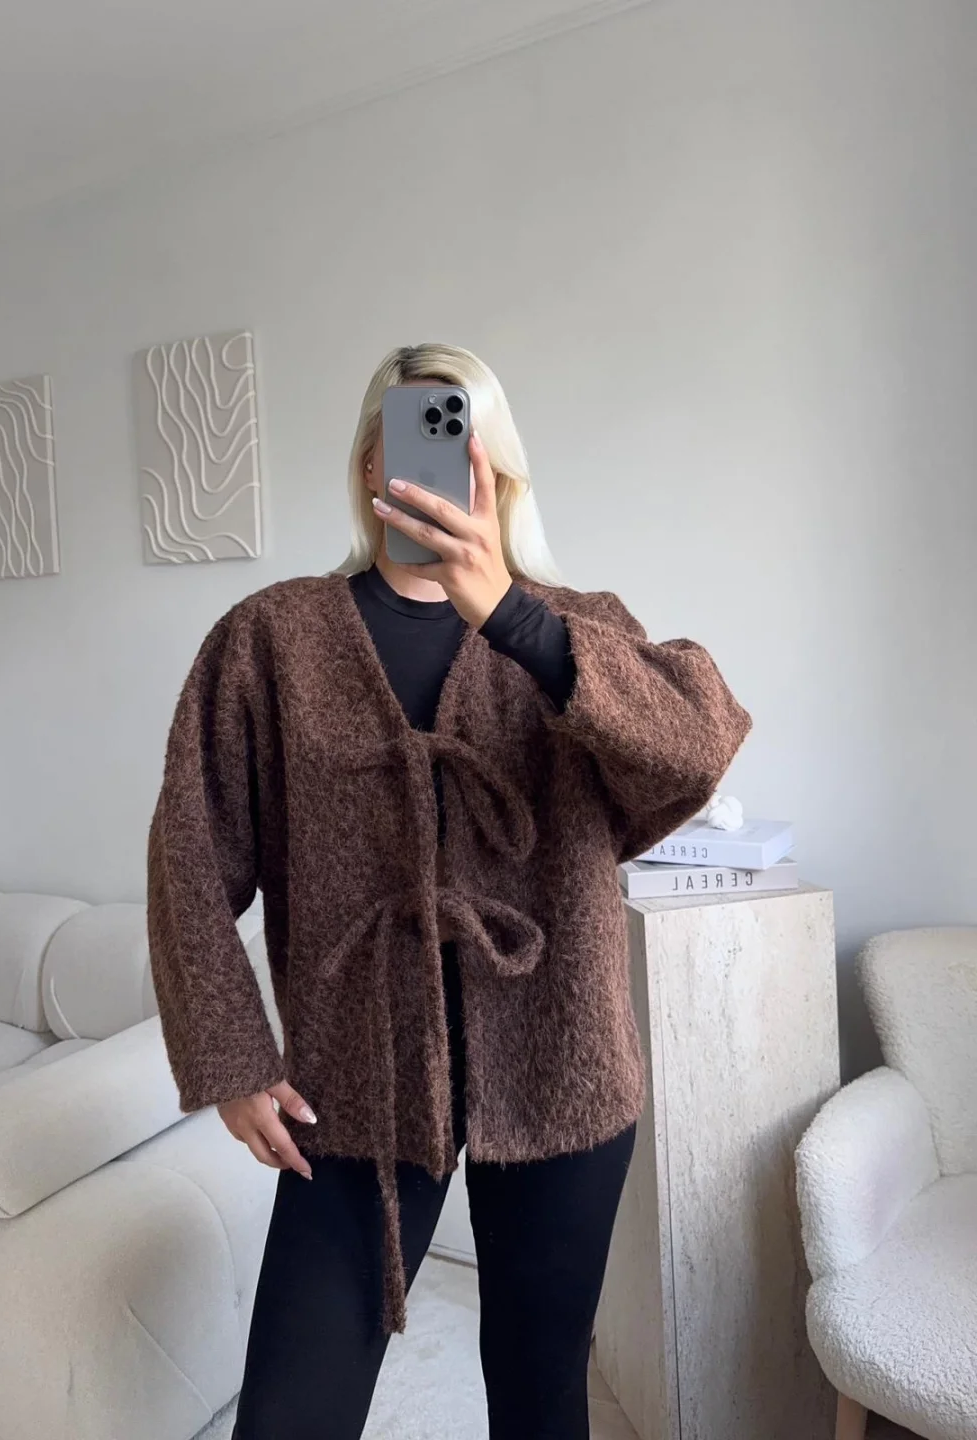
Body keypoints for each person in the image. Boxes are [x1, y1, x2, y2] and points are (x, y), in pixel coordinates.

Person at [147, 343, 751, 1440]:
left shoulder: (574, 626)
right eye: (403, 432)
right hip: (353, 1081)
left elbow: (699, 743)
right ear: (367, 461)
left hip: (562, 1071)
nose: (430, 460)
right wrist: (229, 1058)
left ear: (497, 467)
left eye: (458, 434)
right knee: (290, 1412)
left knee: (540, 1396)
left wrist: (513, 618)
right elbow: (187, 855)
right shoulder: (270, 639)